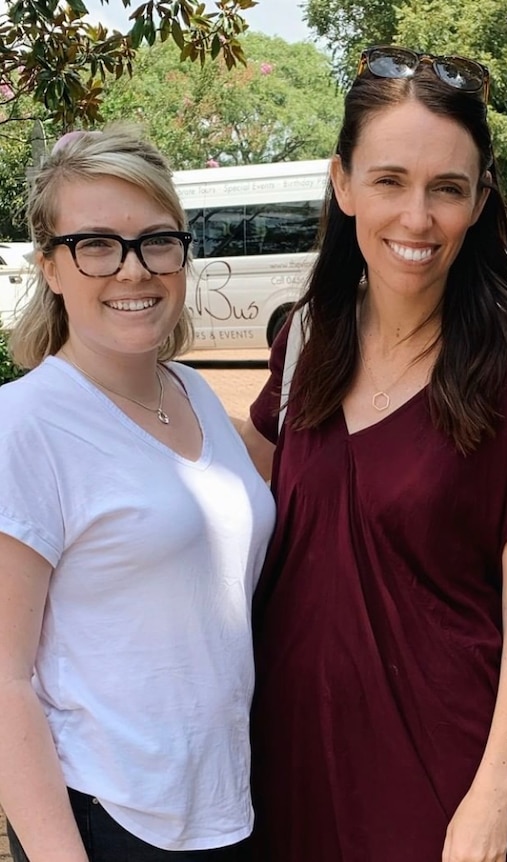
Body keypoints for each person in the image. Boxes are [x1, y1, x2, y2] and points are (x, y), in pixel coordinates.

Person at [240, 45, 507, 862]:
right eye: (390, 180)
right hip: (289, 756)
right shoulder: (304, 342)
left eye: (448, 189)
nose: (417, 219)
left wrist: (494, 791)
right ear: (343, 182)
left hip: (442, 772)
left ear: (478, 201)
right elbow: (226, 501)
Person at [0, 126, 275, 861]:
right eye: (96, 244)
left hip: (227, 801)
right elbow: (5, 679)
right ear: (50, 267)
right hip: (114, 817)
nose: (133, 270)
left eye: (157, 241)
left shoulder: (191, 390)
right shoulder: (23, 426)